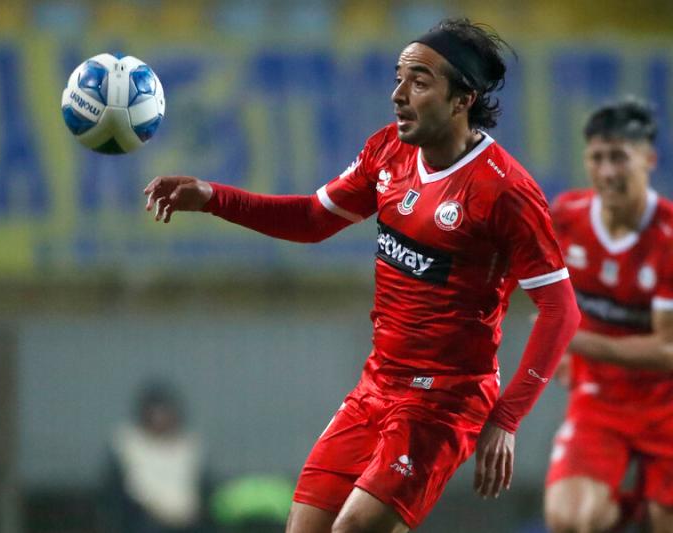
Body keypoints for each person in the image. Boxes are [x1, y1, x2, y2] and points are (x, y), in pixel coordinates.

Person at [144, 18, 580, 533]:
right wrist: (214, 197)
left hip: (444, 401)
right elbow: (312, 219)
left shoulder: (503, 190)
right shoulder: (387, 152)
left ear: (463, 99)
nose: (398, 94)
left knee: (354, 528)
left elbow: (561, 309)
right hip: (376, 387)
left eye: (419, 82)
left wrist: (506, 420)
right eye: (398, 78)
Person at [544, 98, 673, 533]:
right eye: (597, 158)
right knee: (571, 519)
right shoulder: (567, 217)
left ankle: (647, 509)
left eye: (619, 157)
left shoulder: (668, 238)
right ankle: (631, 508)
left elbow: (668, 349)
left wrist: (573, 341)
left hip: (667, 405)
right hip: (599, 398)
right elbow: (541, 285)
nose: (607, 171)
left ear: (648, 159)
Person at [102, 381, 204, 533]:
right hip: (143, 522)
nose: (160, 419)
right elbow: (119, 496)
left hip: (187, 522)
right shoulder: (127, 445)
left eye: (165, 413)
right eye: (156, 413)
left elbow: (201, 490)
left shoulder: (189, 446)